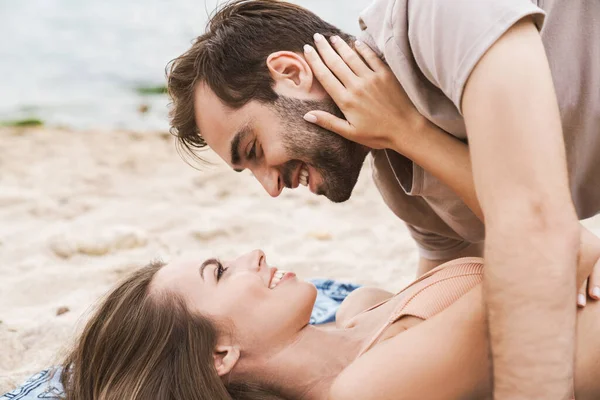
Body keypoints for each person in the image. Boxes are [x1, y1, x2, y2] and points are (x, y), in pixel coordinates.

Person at [166, 1, 600, 396]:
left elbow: (543, 234)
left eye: (255, 150)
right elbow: (443, 295)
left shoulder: (434, 16)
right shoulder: (403, 185)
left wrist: (409, 131)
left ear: (292, 75)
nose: (272, 188)